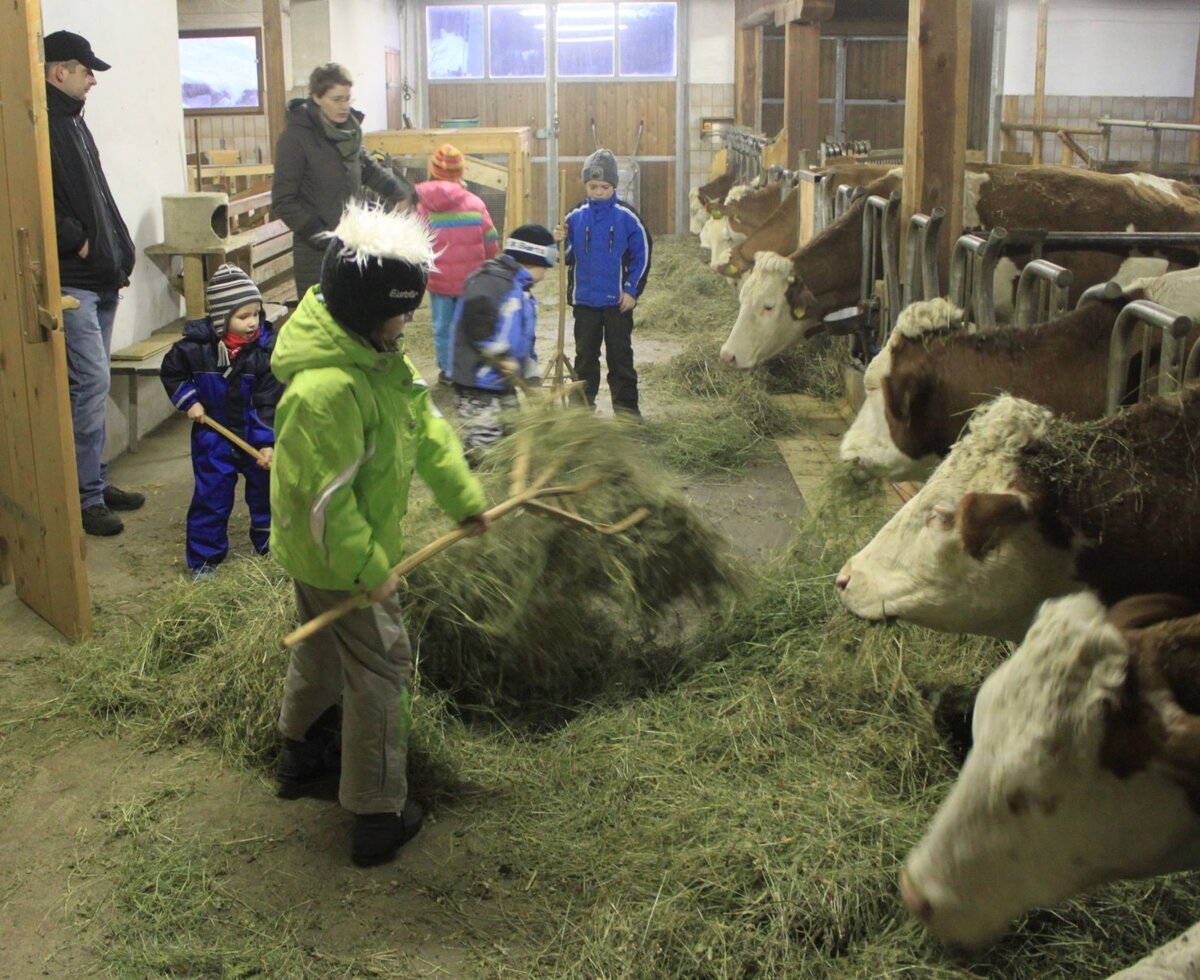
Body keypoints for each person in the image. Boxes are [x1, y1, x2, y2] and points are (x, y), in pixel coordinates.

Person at [269, 201, 489, 868]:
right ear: (369, 309)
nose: (410, 320)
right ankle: (375, 812)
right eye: (402, 309)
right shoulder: (328, 390)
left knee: (324, 655)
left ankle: (300, 755)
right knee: (381, 670)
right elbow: (326, 504)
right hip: (338, 555)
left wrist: (464, 500)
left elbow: (427, 434)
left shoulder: (379, 360)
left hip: (329, 556)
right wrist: (369, 570)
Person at [44, 29, 144, 536]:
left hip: (100, 275)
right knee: (91, 384)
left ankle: (97, 483)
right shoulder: (40, 124)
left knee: (93, 384)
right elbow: (41, 201)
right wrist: (80, 243)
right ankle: (86, 498)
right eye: (85, 72)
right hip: (76, 280)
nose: (91, 82)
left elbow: (97, 196)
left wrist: (115, 249)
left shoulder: (72, 122)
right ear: (59, 71)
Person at [159, 265, 281, 581]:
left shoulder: (267, 352)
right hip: (213, 435)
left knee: (267, 493)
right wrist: (189, 400)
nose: (253, 321)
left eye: (256, 312)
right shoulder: (195, 349)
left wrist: (267, 442)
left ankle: (271, 547)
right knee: (211, 498)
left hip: (254, 436)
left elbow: (268, 400)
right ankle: (204, 561)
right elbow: (172, 372)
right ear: (222, 318)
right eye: (243, 316)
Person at [271, 62, 416, 302]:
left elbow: (368, 168)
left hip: (353, 242)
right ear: (317, 97)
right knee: (322, 324)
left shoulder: (348, 133)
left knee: (355, 316)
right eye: (337, 99)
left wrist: (399, 193)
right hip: (316, 252)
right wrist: (323, 235)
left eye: (348, 99)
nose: (344, 106)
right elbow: (283, 200)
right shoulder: (295, 138)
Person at [553, 148, 652, 417]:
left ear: (614, 186)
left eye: (604, 187)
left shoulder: (627, 218)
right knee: (585, 359)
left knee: (620, 358)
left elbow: (641, 255)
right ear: (585, 185)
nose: (598, 192)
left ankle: (627, 413)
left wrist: (632, 290)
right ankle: (581, 411)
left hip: (617, 303)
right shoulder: (574, 217)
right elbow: (567, 258)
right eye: (593, 186)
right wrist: (561, 240)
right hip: (585, 302)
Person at [449, 225, 556, 460]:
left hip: (502, 382)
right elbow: (476, 324)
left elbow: (526, 346)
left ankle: (506, 480)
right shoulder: (490, 283)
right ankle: (480, 484)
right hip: (476, 382)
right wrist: (502, 356)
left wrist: (532, 381)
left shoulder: (524, 295)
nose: (545, 275)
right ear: (531, 260)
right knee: (484, 444)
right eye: (544, 269)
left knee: (512, 434)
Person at [415, 144, 500, 384]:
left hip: (439, 280)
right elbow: (490, 239)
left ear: (432, 172)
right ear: (461, 173)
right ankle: (471, 368)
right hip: (471, 280)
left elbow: (415, 241)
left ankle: (449, 371)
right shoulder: (475, 203)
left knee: (443, 326)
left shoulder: (422, 206)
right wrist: (489, 265)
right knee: (469, 323)